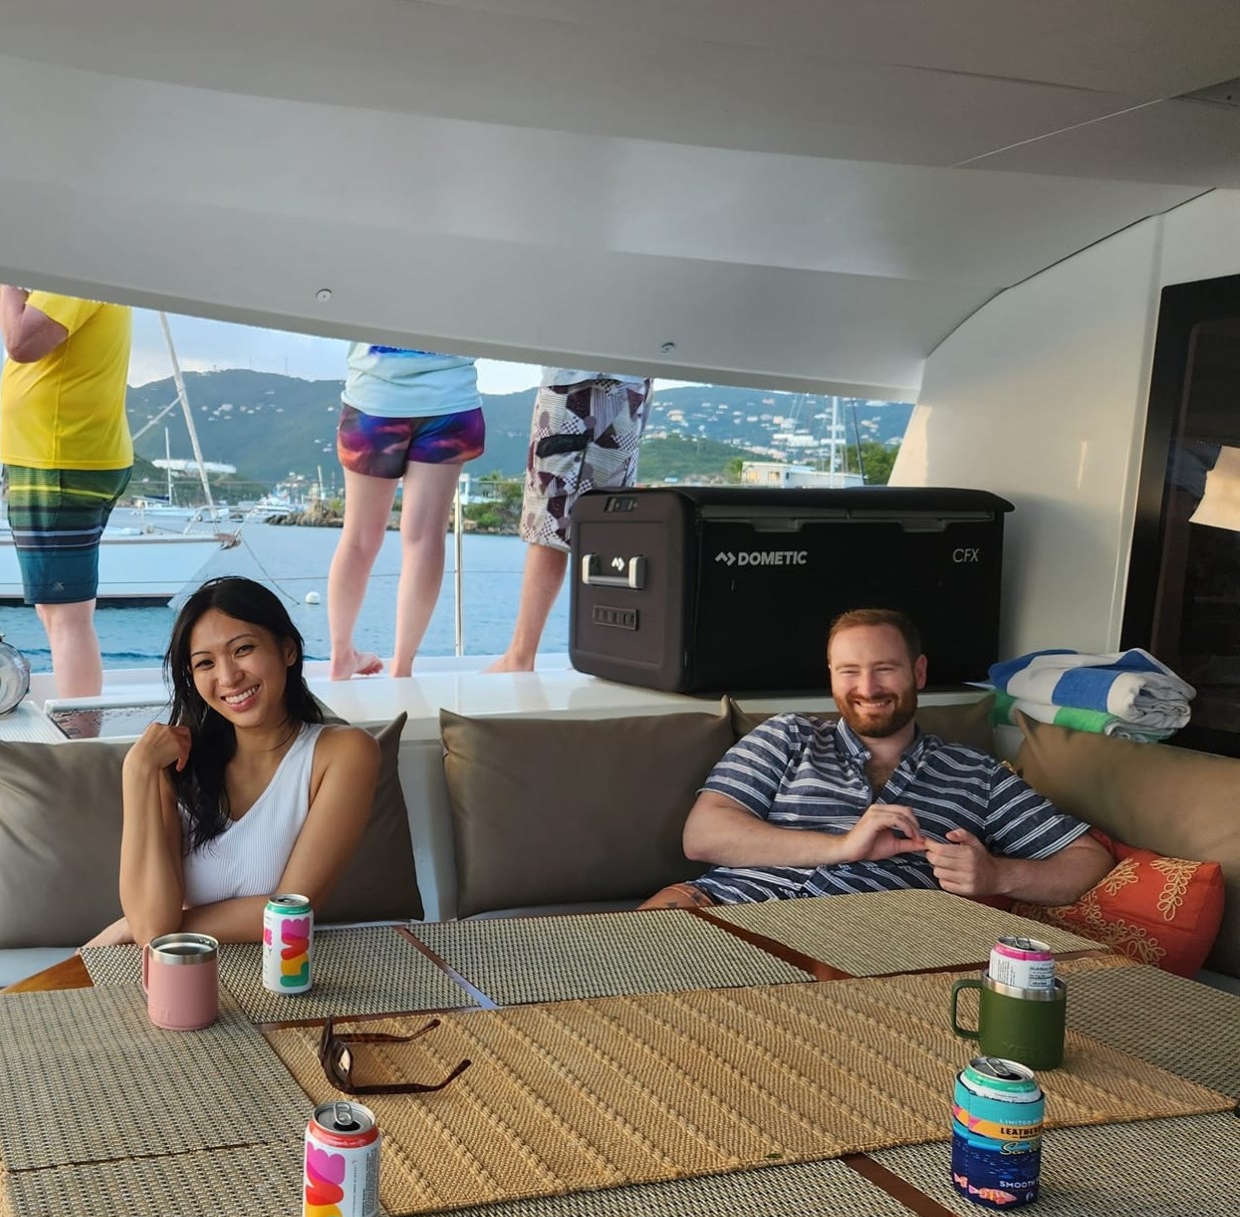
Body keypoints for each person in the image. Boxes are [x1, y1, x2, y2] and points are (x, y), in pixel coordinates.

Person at [641, 609, 1113, 910]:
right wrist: (843, 847)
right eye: (850, 672)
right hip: (719, 906)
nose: (867, 689)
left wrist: (998, 874)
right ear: (832, 677)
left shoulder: (976, 775)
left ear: (918, 672)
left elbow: (1087, 860)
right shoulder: (786, 735)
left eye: (885, 669)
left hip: (867, 943)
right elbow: (703, 836)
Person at [91, 577, 378, 947]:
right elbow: (150, 928)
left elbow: (291, 912)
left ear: (288, 650)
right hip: (177, 973)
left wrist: (153, 928)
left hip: (284, 974)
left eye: (243, 649)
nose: (228, 677)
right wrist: (137, 770)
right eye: (205, 662)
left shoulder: (343, 753)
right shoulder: (174, 766)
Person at [0, 285, 134, 700]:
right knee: (59, 611)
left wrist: (2, 278)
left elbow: (21, 342)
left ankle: (79, 741)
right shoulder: (73, 269)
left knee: (66, 616)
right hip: (59, 455)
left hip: (59, 459)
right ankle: (78, 731)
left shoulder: (73, 271)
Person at [326, 345, 485, 679]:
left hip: (376, 396)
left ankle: (341, 656)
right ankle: (402, 666)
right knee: (425, 539)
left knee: (358, 539)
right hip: (449, 397)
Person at [489, 369, 653, 672]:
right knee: (605, 521)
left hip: (581, 382)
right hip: (629, 383)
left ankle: (520, 658)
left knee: (549, 524)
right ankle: (602, 654)